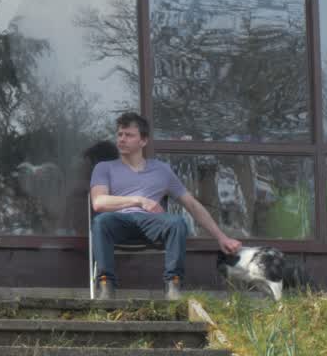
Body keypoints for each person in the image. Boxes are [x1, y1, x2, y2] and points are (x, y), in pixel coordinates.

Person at [89, 112, 242, 300]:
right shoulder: (104, 168)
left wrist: (221, 237)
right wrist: (139, 200)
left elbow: (192, 204)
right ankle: (106, 286)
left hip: (152, 224)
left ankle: (173, 287)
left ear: (143, 141)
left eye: (129, 135)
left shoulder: (162, 170)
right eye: (120, 134)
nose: (122, 139)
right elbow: (99, 202)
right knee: (101, 222)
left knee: (177, 222)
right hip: (118, 221)